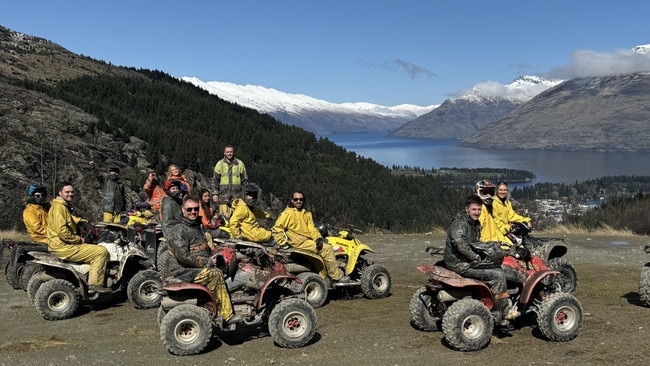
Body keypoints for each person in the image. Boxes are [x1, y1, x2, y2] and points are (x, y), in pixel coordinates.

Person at [165, 195, 240, 325]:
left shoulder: (194, 225)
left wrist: (216, 252)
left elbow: (200, 247)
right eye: (189, 209)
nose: (193, 212)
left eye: (195, 209)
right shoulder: (179, 229)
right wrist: (208, 262)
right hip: (184, 270)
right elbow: (183, 256)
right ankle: (227, 316)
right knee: (215, 274)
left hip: (193, 267)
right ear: (183, 210)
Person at [443, 194, 517, 321]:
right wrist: (476, 257)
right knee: (498, 274)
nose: (477, 212)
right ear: (467, 209)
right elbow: (459, 243)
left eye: (479, 209)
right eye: (474, 209)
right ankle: (501, 311)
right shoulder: (460, 223)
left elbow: (475, 243)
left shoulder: (474, 223)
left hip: (462, 260)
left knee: (497, 264)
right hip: (460, 264)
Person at [46, 181, 110, 294]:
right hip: (64, 247)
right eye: (67, 192)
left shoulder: (60, 206)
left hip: (59, 245)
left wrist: (82, 222)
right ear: (60, 193)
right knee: (101, 251)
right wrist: (79, 240)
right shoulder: (59, 208)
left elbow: (68, 220)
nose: (70, 194)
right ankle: (94, 284)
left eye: (72, 192)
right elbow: (62, 232)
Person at [272, 190, 349, 283]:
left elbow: (312, 228)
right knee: (328, 249)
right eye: (295, 199)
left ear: (304, 200)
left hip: (308, 241)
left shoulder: (307, 213)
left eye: (301, 199)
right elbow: (276, 229)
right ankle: (337, 277)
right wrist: (283, 243)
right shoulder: (287, 213)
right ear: (292, 200)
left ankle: (324, 276)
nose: (298, 201)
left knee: (323, 248)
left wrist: (318, 238)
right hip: (298, 243)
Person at [212, 145, 248, 219]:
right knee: (224, 218)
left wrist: (246, 194)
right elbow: (215, 180)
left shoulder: (240, 164)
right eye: (227, 152)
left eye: (231, 152)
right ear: (224, 153)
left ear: (233, 152)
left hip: (237, 197)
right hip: (223, 197)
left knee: (237, 218)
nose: (229, 153)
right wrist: (215, 193)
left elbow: (245, 180)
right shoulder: (219, 164)